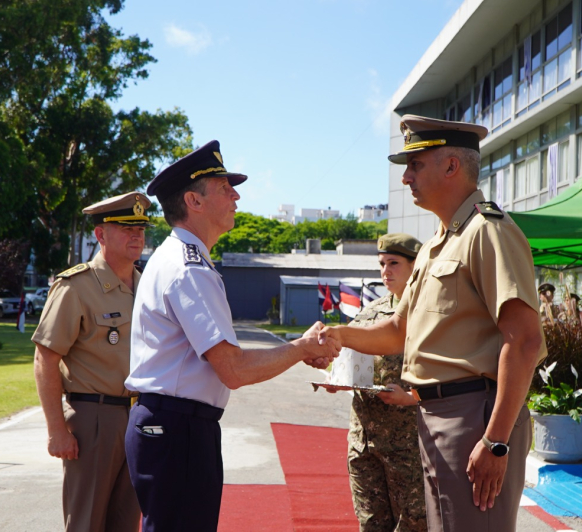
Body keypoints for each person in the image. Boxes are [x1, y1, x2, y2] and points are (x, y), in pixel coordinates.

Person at [319, 116, 546, 532]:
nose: (406, 178)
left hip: (474, 417)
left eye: (415, 164)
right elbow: (396, 331)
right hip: (435, 415)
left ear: (451, 167)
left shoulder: (488, 231)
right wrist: (335, 335)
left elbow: (526, 341)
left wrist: (495, 441)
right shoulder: (437, 245)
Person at [124, 141, 337, 532]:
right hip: (177, 429)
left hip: (174, 426)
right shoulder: (189, 269)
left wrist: (298, 350)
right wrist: (302, 348)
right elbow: (233, 370)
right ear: (194, 200)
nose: (236, 195)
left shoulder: (182, 259)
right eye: (224, 187)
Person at [32, 191, 152, 532]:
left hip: (138, 416)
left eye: (141, 229)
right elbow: (45, 357)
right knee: (86, 522)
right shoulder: (76, 286)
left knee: (126, 522)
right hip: (93, 420)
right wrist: (57, 429)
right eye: (126, 228)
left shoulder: (147, 287)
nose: (137, 236)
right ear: (100, 235)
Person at [341, 233, 427, 532]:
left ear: (416, 266)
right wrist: (336, 379)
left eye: (394, 263)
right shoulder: (369, 313)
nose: (385, 271)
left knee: (413, 525)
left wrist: (412, 396)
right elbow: (348, 361)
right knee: (371, 525)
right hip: (365, 443)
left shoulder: (432, 315)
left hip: (408, 447)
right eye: (381, 264)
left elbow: (453, 378)